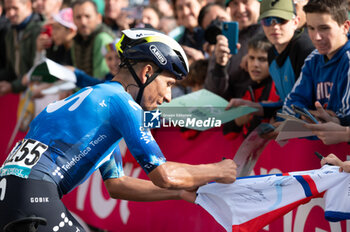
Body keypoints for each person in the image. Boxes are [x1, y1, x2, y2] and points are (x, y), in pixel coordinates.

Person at [0, 28, 237, 231]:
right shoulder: (121, 102)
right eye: (169, 84)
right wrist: (217, 170)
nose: (167, 96)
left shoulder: (100, 101)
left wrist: (179, 193)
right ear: (147, 72)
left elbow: (117, 185)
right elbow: (164, 175)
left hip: (10, 192)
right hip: (35, 192)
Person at [226, 0, 314, 130]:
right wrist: (254, 107)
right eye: (267, 20)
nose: (275, 26)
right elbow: (287, 104)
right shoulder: (272, 53)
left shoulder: (304, 48)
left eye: (281, 20)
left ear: (295, 22)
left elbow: (308, 107)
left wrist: (279, 122)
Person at [283, 0, 350, 127]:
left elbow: (346, 117)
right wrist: (308, 114)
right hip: (319, 144)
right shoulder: (313, 59)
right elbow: (290, 105)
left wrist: (336, 121)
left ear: (345, 27)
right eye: (311, 28)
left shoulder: (348, 60)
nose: (316, 37)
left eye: (324, 28)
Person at [224, 34, 280, 139]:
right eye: (251, 58)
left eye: (262, 59)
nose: (255, 64)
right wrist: (238, 120)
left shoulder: (278, 88)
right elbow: (227, 133)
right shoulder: (247, 88)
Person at [204, 0, 262, 100]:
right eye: (235, 3)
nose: (240, 9)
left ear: (259, 3)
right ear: (228, 8)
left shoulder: (272, 34)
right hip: (233, 110)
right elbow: (212, 95)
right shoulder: (223, 41)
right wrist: (220, 66)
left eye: (245, 2)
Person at [0, 0, 44, 96]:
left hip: (39, 93)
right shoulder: (11, 33)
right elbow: (11, 70)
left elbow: (37, 71)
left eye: (15, 8)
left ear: (28, 5)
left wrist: (13, 86)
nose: (10, 13)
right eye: (7, 9)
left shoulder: (39, 30)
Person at [71, 0, 115, 79]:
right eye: (78, 17)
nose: (83, 22)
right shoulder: (76, 39)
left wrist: (75, 73)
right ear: (73, 20)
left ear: (98, 18)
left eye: (87, 16)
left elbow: (100, 80)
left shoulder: (102, 39)